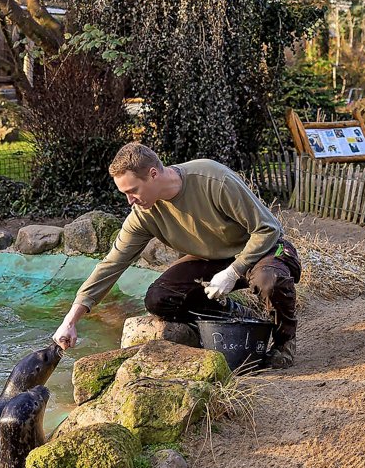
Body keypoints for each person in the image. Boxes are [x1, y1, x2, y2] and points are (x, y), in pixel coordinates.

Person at [52, 142, 302, 369]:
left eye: (133, 190)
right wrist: (71, 320)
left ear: (153, 174)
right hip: (211, 261)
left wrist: (235, 270)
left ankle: (283, 344)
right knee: (159, 298)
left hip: (262, 250)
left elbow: (268, 228)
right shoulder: (143, 215)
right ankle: (233, 314)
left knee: (270, 280)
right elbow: (111, 265)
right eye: (124, 194)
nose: (130, 201)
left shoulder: (212, 179)